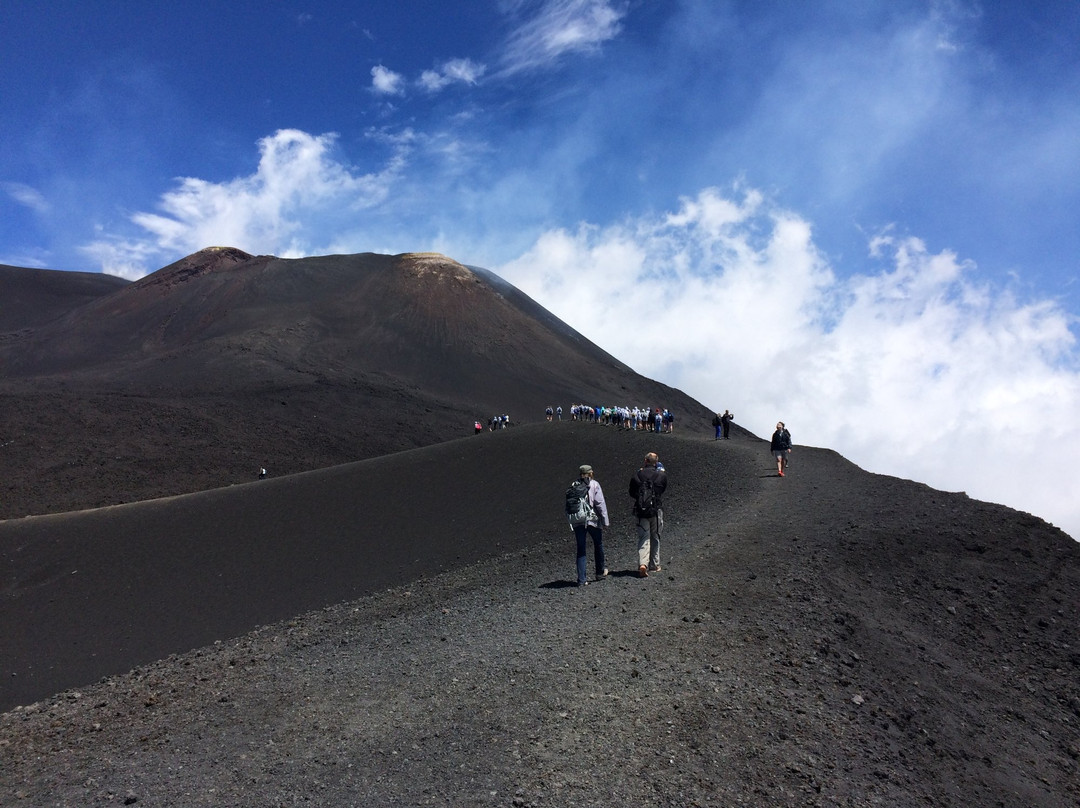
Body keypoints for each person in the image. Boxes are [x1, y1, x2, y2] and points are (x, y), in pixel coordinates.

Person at [628, 452, 668, 577]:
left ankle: (642, 564)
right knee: (655, 536)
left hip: (641, 510)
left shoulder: (637, 475)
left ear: (645, 461)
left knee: (643, 537)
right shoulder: (661, 475)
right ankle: (654, 564)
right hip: (656, 510)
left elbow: (632, 492)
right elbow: (662, 489)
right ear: (656, 462)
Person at [570, 465, 609, 586]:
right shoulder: (594, 484)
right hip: (592, 520)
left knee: (581, 548)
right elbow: (600, 504)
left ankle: (581, 579)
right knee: (598, 544)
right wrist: (605, 521)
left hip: (578, 521)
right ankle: (599, 573)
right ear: (591, 473)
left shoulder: (574, 485)